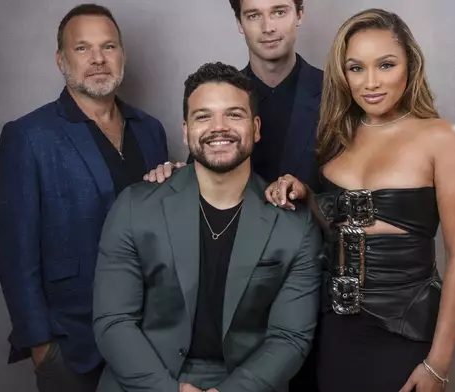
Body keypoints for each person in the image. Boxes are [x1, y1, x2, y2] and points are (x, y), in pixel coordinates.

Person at [266, 8, 455, 392]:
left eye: (386, 64)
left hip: (405, 331)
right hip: (336, 328)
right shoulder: (336, 137)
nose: (371, 82)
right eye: (356, 68)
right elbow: (339, 228)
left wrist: (438, 364)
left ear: (409, 65)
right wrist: (307, 193)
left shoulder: (441, 138)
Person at [92, 62, 322, 392]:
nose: (219, 127)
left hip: (243, 383)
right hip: (143, 379)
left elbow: (289, 338)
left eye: (234, 115)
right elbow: (113, 321)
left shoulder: (294, 224)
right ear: (185, 131)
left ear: (256, 128)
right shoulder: (134, 207)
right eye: (203, 116)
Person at [0, 4, 169, 391]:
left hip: (150, 334)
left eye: (108, 47)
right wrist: (40, 344)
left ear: (122, 55)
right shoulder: (29, 136)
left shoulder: (150, 130)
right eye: (83, 48)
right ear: (61, 59)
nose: (98, 59)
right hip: (73, 341)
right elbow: (14, 252)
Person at [148, 0, 322, 190]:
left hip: (314, 218)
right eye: (254, 15)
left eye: (279, 12)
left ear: (300, 14)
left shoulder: (336, 93)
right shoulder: (219, 96)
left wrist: (309, 196)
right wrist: (176, 177)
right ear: (240, 22)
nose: (268, 27)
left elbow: (347, 191)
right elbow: (201, 170)